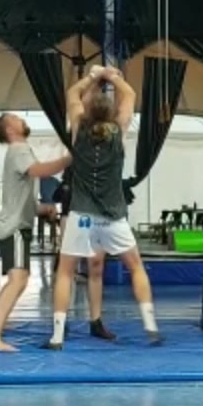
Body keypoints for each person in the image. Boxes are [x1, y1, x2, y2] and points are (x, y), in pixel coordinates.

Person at [48, 66, 161, 349]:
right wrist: (112, 76)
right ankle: (150, 324)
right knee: (136, 267)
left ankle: (57, 336)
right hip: (112, 218)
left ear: (86, 110)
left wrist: (92, 75)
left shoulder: (78, 130)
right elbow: (130, 95)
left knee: (65, 272)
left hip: (82, 217)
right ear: (111, 113)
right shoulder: (118, 131)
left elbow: (72, 94)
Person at [0, 115, 70, 352]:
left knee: (19, 279)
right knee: (18, 279)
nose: (22, 120)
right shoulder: (19, 149)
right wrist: (69, 159)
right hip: (15, 228)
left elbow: (21, 196)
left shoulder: (21, 150)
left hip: (15, 225)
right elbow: (39, 170)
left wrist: (42, 209)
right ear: (10, 130)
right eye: (16, 119)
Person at [53, 167, 116, 342]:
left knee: (96, 268)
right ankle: (60, 321)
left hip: (97, 214)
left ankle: (96, 321)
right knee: (67, 269)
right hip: (72, 212)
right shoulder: (75, 163)